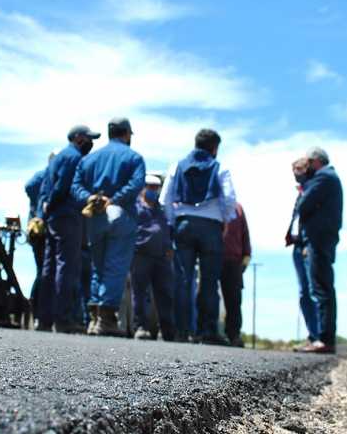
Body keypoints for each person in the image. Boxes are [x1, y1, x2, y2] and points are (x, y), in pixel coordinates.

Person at [161, 129, 237, 346]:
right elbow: (230, 198)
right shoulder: (219, 166)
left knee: (183, 280)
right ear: (214, 148)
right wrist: (224, 220)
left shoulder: (178, 165)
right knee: (209, 281)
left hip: (184, 223)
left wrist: (173, 220)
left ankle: (181, 331)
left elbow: (164, 198)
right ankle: (207, 331)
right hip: (211, 226)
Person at [72, 117, 146, 336]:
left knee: (98, 265)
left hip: (94, 215)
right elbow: (135, 184)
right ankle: (106, 319)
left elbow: (75, 186)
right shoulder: (134, 158)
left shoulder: (89, 159)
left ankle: (94, 319)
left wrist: (91, 197)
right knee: (115, 265)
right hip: (119, 213)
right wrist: (113, 200)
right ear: (126, 133)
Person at [37, 125, 99, 333]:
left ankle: (44, 318)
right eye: (89, 139)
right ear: (79, 138)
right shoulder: (74, 158)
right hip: (67, 214)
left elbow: (46, 187)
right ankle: (62, 318)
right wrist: (53, 202)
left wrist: (46, 208)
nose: (91, 143)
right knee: (66, 266)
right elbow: (64, 186)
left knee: (49, 268)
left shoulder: (59, 157)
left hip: (53, 217)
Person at [296, 146, 342, 354]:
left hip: (319, 239)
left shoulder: (323, 178)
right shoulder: (326, 177)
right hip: (320, 238)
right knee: (320, 287)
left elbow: (303, 205)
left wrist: (304, 184)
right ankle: (321, 337)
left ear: (315, 162)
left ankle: (325, 338)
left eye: (307, 164)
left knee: (321, 288)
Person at [129, 174, 176, 341]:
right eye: (149, 186)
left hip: (162, 257)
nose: (153, 190)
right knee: (140, 293)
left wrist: (170, 246)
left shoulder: (162, 208)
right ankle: (140, 327)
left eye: (156, 187)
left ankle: (167, 331)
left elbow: (168, 228)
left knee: (165, 294)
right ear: (143, 187)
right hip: (140, 255)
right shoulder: (134, 207)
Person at [286, 157, 319, 349]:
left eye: (299, 169)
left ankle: (318, 335)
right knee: (303, 292)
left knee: (313, 290)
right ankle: (312, 335)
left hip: (308, 243)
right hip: (298, 244)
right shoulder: (301, 192)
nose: (296, 174)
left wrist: (309, 241)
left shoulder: (314, 189)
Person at [25, 151, 57, 328]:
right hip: (40, 231)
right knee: (43, 272)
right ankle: (38, 312)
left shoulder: (48, 176)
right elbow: (29, 187)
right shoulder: (45, 175)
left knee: (45, 272)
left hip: (44, 230)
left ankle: (40, 313)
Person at [221, 202, 251, 348]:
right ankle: (207, 332)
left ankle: (233, 334)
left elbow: (245, 232)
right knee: (208, 296)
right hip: (212, 256)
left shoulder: (239, 208)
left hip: (234, 259)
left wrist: (247, 254)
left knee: (234, 299)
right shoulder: (211, 204)